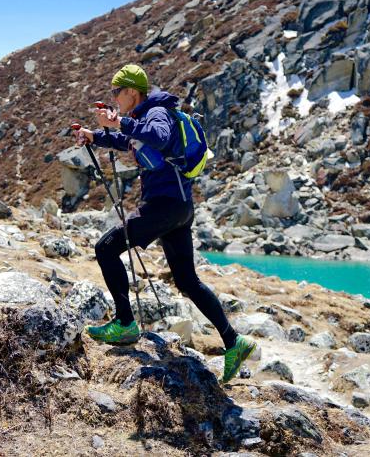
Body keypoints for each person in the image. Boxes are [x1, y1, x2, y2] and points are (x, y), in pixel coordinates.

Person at [74, 63, 257, 383]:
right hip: (180, 207)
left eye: (117, 93)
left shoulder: (156, 113)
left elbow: (157, 137)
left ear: (132, 92)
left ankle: (125, 323)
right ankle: (233, 341)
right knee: (187, 281)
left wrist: (121, 121)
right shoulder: (145, 115)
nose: (114, 99)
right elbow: (128, 141)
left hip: (164, 206)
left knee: (105, 248)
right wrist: (97, 136)